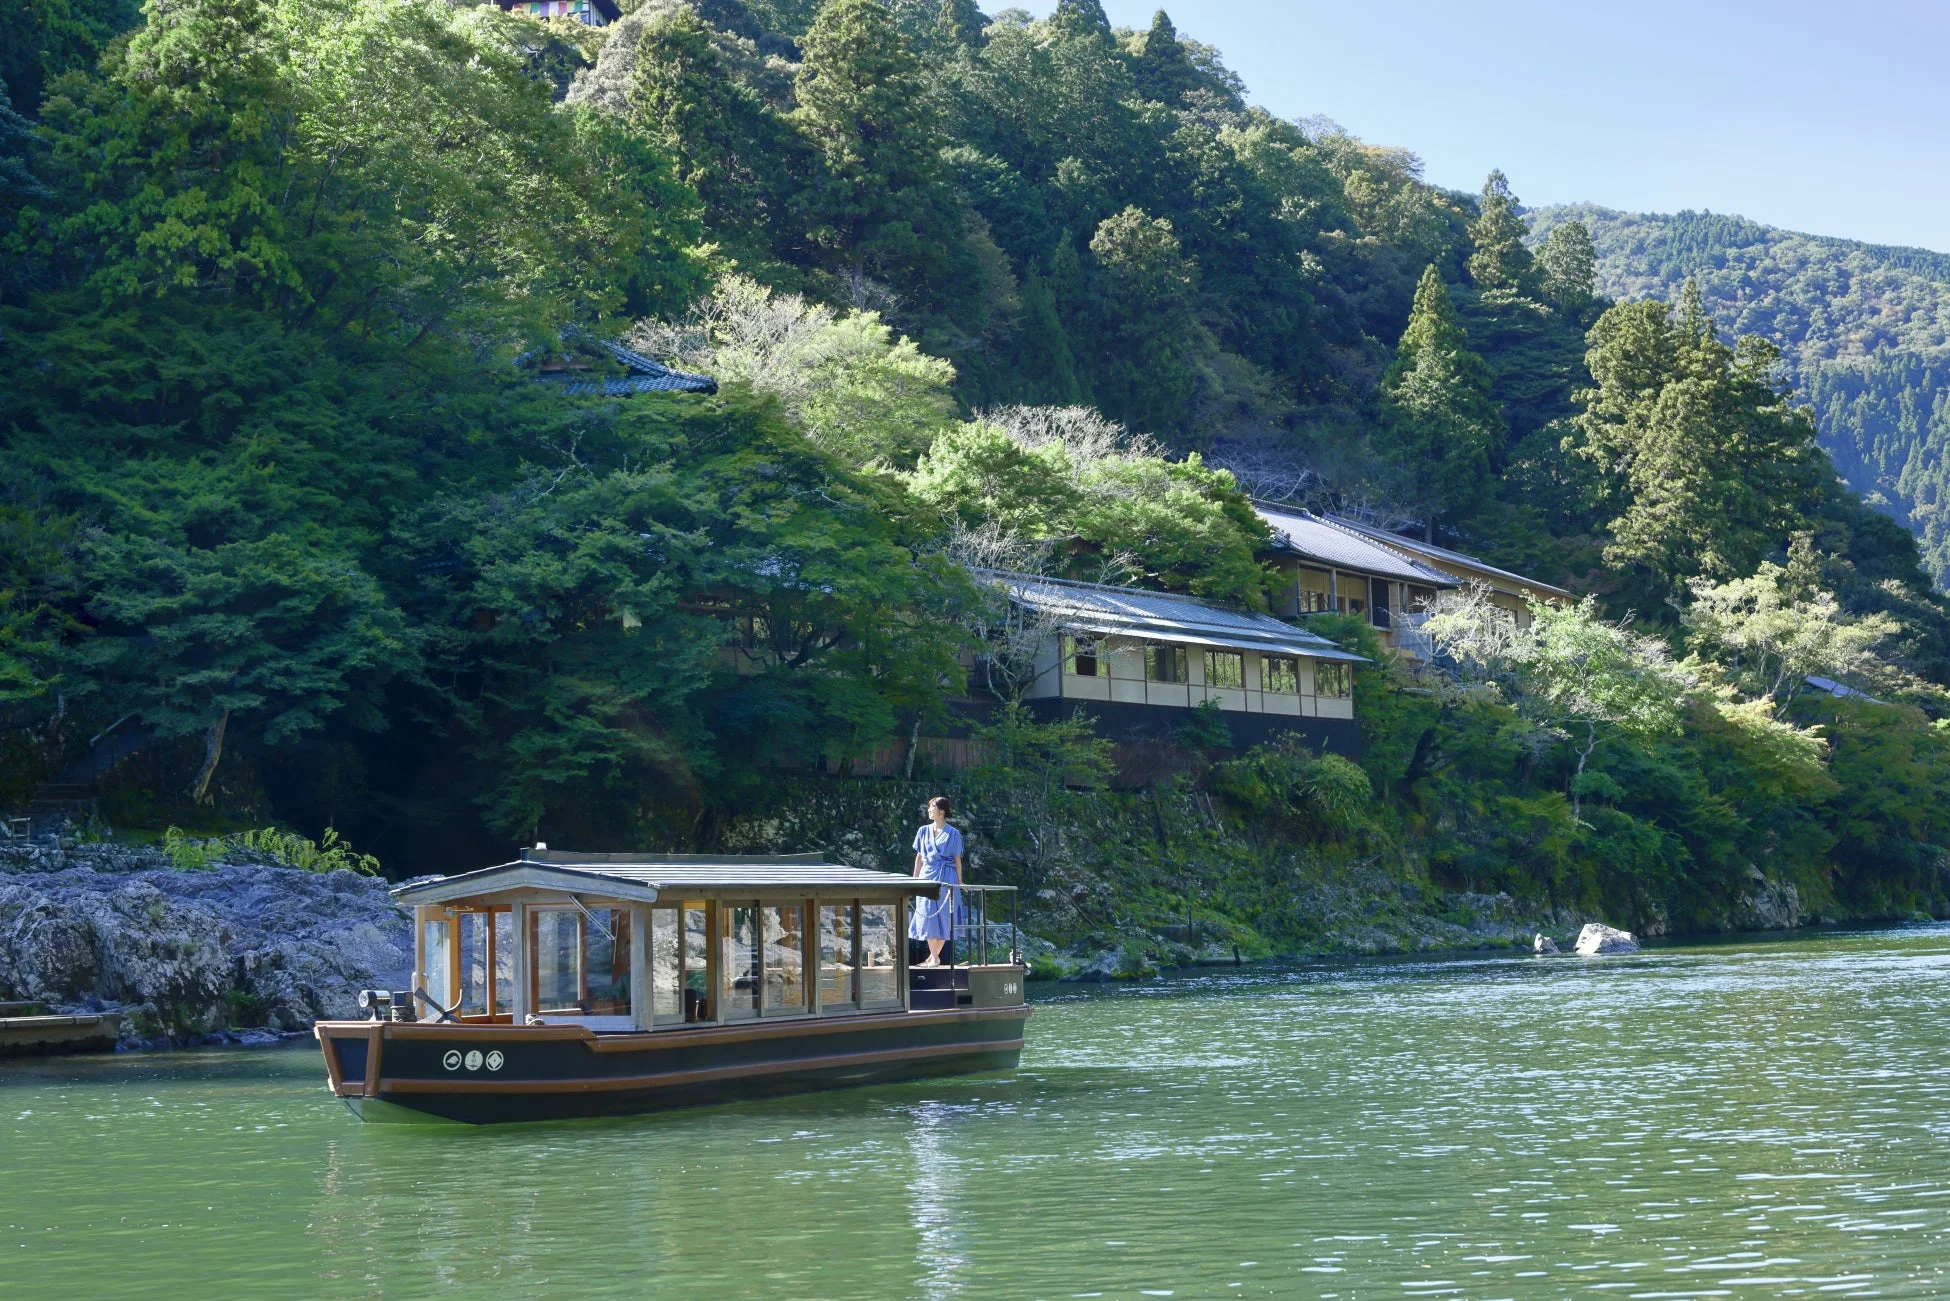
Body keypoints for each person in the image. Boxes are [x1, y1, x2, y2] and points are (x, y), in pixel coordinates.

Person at [908, 795, 964, 967]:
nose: (929, 811)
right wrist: (914, 879)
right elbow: (919, 857)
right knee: (927, 915)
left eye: (931, 807)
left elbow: (957, 861)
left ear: (941, 811)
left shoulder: (953, 833)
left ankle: (934, 957)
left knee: (945, 917)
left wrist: (960, 882)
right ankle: (934, 956)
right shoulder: (923, 831)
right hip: (927, 876)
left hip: (947, 877)